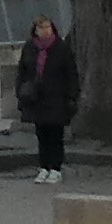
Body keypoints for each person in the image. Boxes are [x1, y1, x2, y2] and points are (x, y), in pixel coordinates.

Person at [12, 14, 81, 180]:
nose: (45, 31)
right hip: (37, 98)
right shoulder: (29, 47)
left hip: (57, 98)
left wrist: (72, 96)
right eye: (42, 27)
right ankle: (43, 167)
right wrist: (20, 93)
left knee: (56, 134)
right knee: (41, 134)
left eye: (48, 27)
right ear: (35, 30)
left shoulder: (61, 47)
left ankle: (56, 168)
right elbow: (22, 71)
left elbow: (71, 73)